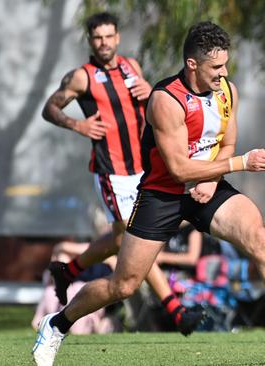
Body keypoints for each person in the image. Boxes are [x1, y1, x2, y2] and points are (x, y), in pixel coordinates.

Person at [32, 21, 265, 366]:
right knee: (124, 285)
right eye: (216, 67)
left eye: (226, 65)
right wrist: (240, 163)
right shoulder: (165, 100)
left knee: (258, 236)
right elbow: (179, 170)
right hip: (162, 193)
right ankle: (57, 324)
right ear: (192, 64)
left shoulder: (227, 91)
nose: (224, 73)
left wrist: (214, 179)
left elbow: (226, 143)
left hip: (208, 185)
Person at [40, 12, 200, 336]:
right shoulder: (82, 77)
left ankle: (67, 271)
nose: (104, 43)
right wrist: (78, 124)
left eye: (109, 36)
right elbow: (50, 108)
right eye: (98, 37)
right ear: (90, 41)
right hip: (110, 172)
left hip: (141, 167)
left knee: (118, 239)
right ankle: (176, 310)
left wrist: (148, 90)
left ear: (118, 38)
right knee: (134, 234)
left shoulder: (132, 67)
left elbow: (149, 108)